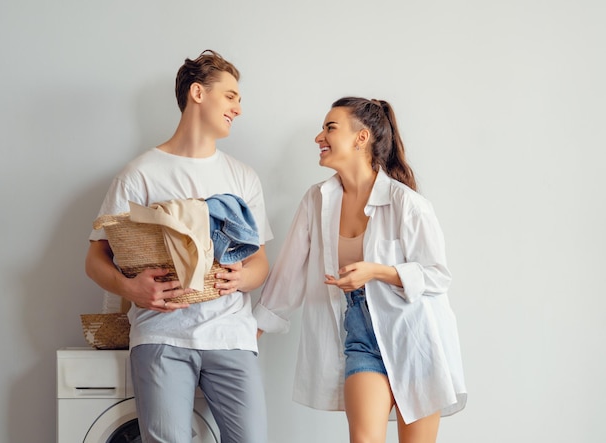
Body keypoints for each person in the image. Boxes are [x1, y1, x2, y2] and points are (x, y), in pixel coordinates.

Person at [254, 97, 467, 443]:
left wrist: (377, 271)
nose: (318, 137)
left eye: (330, 127)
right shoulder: (316, 199)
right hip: (360, 335)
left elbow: (438, 275)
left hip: (415, 333)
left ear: (361, 138)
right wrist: (250, 335)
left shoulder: (407, 203)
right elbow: (287, 275)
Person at [85, 50, 272, 443]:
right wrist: (132, 289)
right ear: (198, 93)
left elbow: (260, 265)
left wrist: (241, 278)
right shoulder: (139, 174)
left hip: (231, 335)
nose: (239, 108)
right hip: (161, 335)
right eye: (232, 96)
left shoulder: (243, 177)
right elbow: (95, 259)